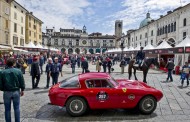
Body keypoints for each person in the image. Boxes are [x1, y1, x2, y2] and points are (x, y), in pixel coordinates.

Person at [0, 58, 25, 122]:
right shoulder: (18, 71)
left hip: (7, 92)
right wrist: (22, 89)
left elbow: (0, 83)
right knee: (16, 108)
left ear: (6, 63)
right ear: (14, 63)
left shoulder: (2, 72)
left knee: (7, 109)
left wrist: (3, 89)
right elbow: (21, 81)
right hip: (16, 91)